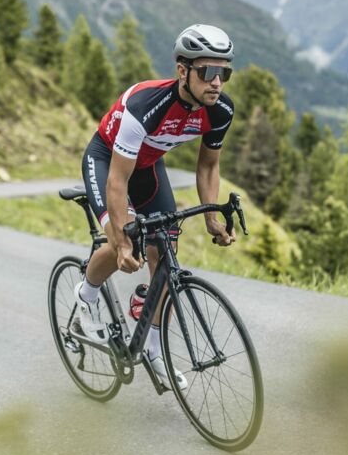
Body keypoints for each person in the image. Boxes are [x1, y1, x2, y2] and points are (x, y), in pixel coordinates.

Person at [73, 24, 238, 389]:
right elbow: (117, 181)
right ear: (182, 70)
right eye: (208, 72)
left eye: (223, 73)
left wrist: (212, 218)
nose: (217, 83)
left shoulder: (220, 110)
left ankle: (151, 347)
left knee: (165, 254)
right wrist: (123, 237)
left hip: (147, 168)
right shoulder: (145, 105)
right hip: (107, 161)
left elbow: (208, 165)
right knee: (120, 241)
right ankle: (86, 294)